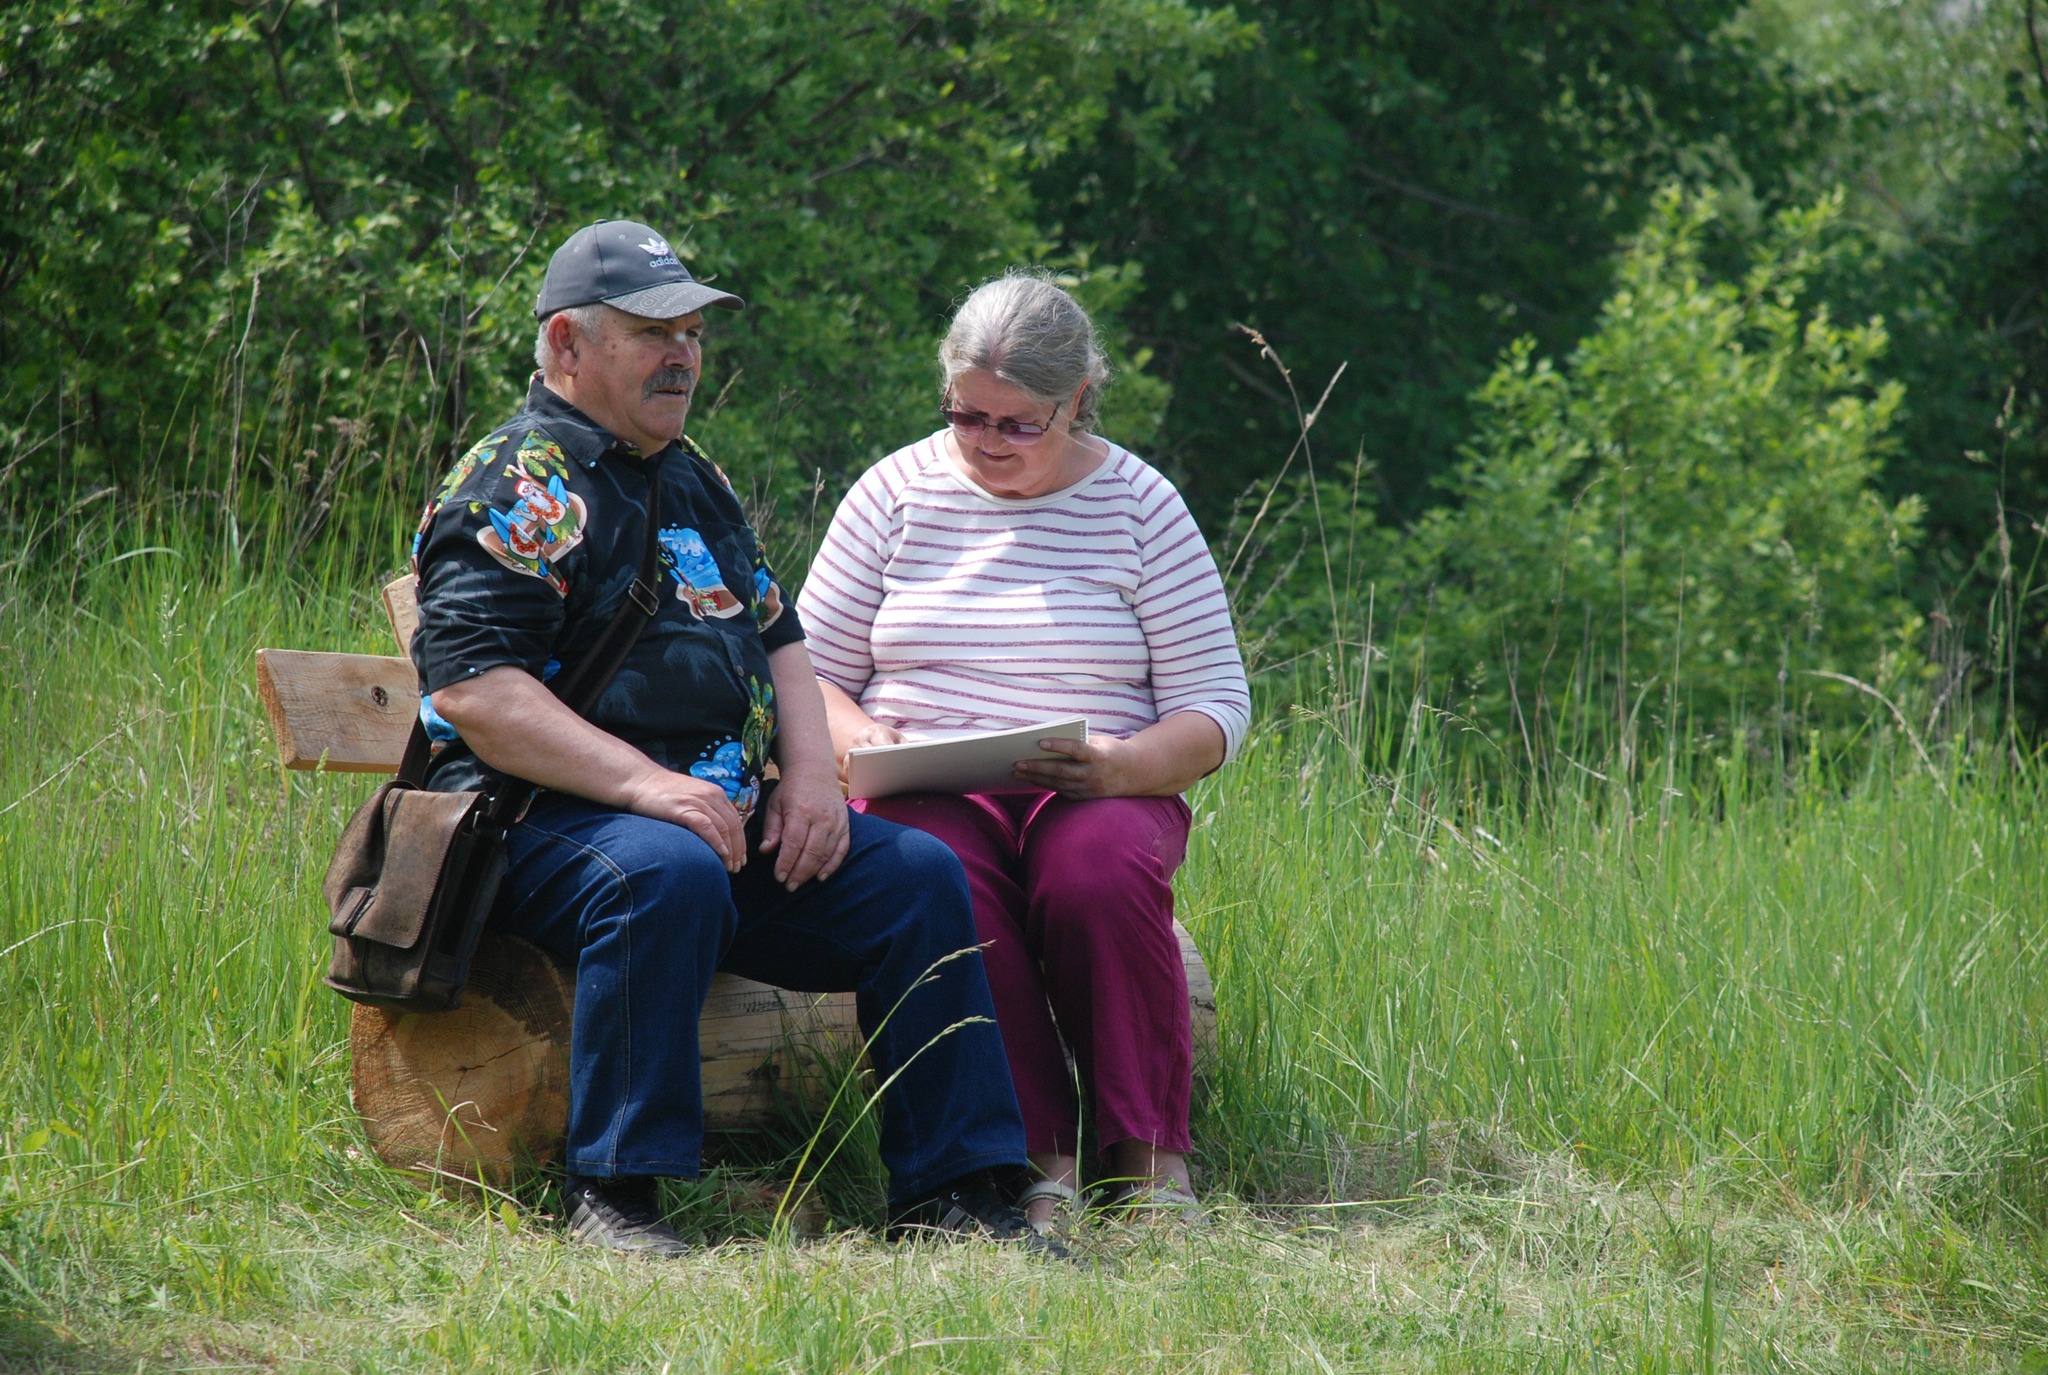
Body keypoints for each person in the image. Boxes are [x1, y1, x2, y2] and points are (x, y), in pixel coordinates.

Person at [408, 220, 1052, 1257]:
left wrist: (812, 781)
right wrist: (646, 787)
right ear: (567, 343)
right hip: (537, 821)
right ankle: (617, 1195)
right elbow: (476, 691)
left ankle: (959, 1194)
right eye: (653, 331)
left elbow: (779, 635)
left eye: (694, 333)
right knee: (661, 869)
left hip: (713, 821)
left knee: (919, 878)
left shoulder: (690, 475)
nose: (683, 355)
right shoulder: (516, 480)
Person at [798, 270, 1251, 1231]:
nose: (988, 442)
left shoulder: (1141, 504)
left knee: (1096, 873)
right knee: (936, 874)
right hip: (927, 780)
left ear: (1076, 400)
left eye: (1018, 424)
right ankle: (1033, 1163)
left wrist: (1124, 766)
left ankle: (1148, 1164)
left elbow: (1216, 705)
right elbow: (807, 674)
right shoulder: (892, 493)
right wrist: (860, 737)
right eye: (968, 416)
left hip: (1098, 785)